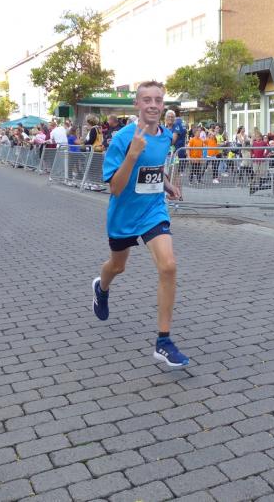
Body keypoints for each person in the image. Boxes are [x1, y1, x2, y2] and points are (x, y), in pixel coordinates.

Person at [92, 80, 189, 368]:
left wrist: (167, 184)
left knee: (168, 265)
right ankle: (101, 288)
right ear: (137, 104)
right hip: (123, 215)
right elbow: (115, 188)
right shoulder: (122, 139)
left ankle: (164, 342)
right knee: (117, 266)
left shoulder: (166, 135)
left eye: (158, 100)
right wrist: (132, 153)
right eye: (147, 100)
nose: (153, 105)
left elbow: (155, 167)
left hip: (153, 211)